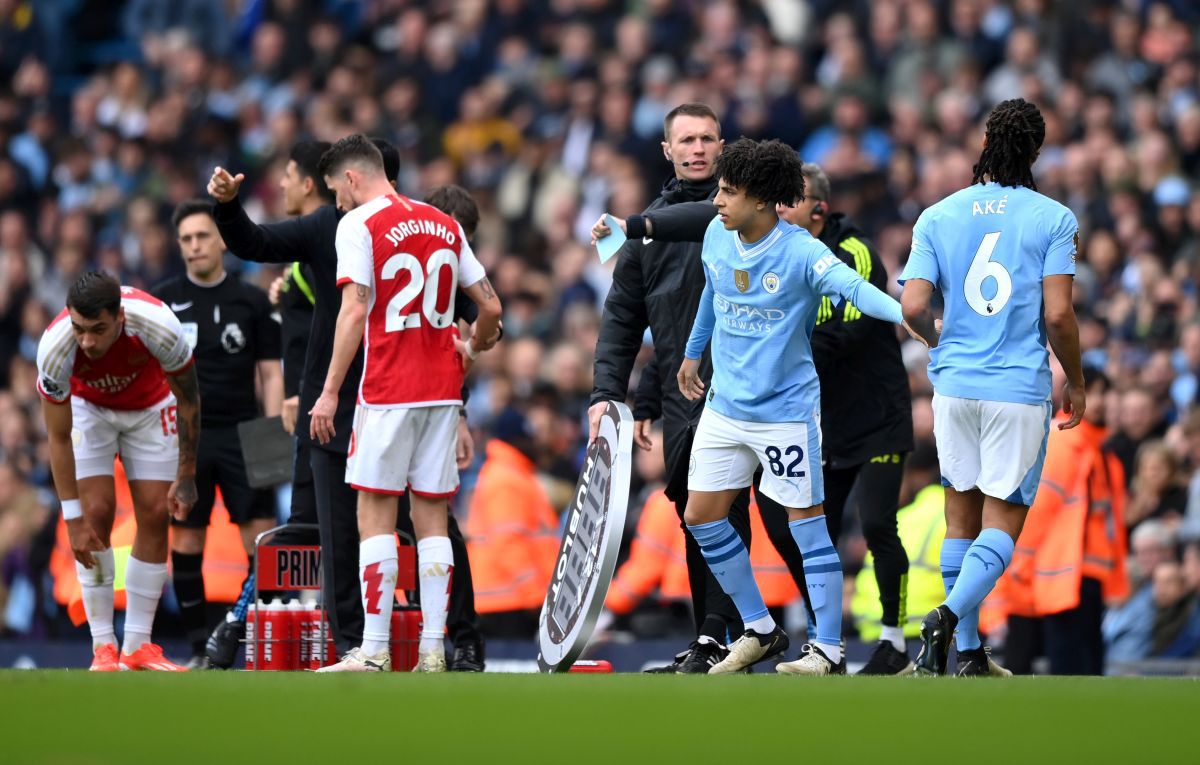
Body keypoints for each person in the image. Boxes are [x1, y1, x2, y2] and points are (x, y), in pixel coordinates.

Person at [205, 141, 487, 670]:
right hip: (326, 405)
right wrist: (225, 207)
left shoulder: (357, 227)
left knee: (419, 520)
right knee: (333, 525)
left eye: (293, 175)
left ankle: (451, 638)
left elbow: (452, 313)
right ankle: (356, 640)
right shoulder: (321, 234)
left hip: (369, 393)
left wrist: (461, 405)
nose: (289, 184)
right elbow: (255, 244)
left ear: (342, 180)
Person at [677, 138, 909, 675]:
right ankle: (760, 628)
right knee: (700, 516)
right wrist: (693, 355)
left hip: (784, 413)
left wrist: (908, 316)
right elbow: (714, 292)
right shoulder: (718, 233)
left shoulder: (802, 250)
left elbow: (855, 289)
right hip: (725, 406)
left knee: (807, 525)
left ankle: (828, 649)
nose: (717, 201)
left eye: (729, 192)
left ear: (761, 201)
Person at [900, 98, 1085, 676]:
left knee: (962, 519)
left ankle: (971, 655)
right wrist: (1074, 380)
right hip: (1015, 388)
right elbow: (1058, 316)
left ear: (983, 142)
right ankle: (949, 618)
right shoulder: (1054, 218)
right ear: (1035, 150)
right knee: (1004, 521)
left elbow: (912, 304)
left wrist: (939, 344)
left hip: (953, 387)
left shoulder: (937, 215)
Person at [309, 135, 501, 672]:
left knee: (373, 513)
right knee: (432, 518)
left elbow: (355, 309)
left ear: (351, 178)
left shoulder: (358, 225)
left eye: (335, 191)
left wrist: (327, 392)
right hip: (442, 391)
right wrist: (475, 345)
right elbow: (490, 305)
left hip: (388, 388)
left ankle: (371, 651)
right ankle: (434, 650)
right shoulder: (444, 223)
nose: (337, 203)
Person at [589, 102, 762, 674]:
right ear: (666, 150)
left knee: (739, 509)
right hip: (683, 395)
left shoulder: (750, 214)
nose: (697, 149)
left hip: (750, 386)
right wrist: (613, 395)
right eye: (685, 140)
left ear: (723, 145)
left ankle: (748, 635)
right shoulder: (647, 230)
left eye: (707, 139)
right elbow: (625, 318)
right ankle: (715, 638)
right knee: (698, 512)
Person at [778, 163, 915, 675]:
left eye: (791, 199)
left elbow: (846, 330)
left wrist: (779, 354)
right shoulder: (782, 254)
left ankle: (894, 641)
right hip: (826, 422)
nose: (779, 208)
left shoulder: (853, 252)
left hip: (877, 414)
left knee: (878, 524)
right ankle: (826, 645)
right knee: (816, 533)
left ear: (819, 208)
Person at [37, 271, 200, 671]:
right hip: (89, 410)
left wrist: (187, 473)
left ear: (121, 318)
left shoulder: (159, 325)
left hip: (150, 409)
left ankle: (138, 647)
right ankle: (103, 648)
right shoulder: (56, 347)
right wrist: (72, 520)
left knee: (154, 512)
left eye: (98, 329)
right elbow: (58, 439)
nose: (87, 341)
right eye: (79, 329)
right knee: (95, 516)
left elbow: (190, 400)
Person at [152, 199, 283, 668]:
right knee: (186, 542)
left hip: (246, 433)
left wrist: (271, 439)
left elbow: (271, 375)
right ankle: (196, 649)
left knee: (262, 543)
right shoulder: (163, 301)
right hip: (187, 439)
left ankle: (245, 641)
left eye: (202, 236)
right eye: (185, 239)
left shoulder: (251, 301)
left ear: (222, 240)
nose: (193, 247)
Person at [997, 366, 1128, 675]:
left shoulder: (1100, 452)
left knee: (1084, 665)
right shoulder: (1064, 443)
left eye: (1105, 393)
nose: (1101, 401)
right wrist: (1020, 566)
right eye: (1092, 392)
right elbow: (1039, 510)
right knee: (1070, 665)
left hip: (1083, 573)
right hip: (1062, 573)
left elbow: (1109, 524)